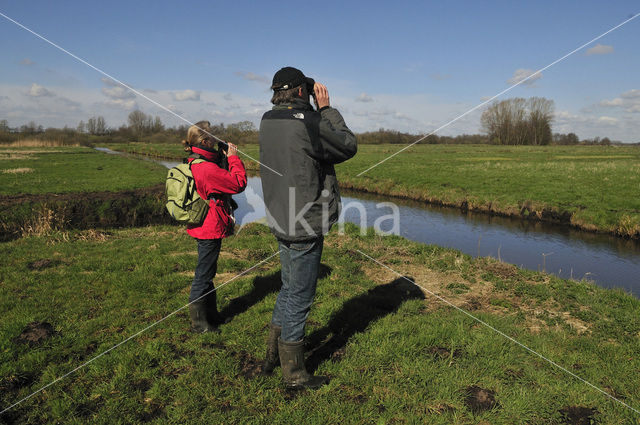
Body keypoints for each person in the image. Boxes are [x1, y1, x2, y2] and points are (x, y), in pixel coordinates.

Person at [259, 67, 357, 389]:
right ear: (302, 92)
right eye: (309, 91)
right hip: (304, 221)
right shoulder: (310, 122)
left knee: (288, 287)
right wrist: (326, 109)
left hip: (279, 217)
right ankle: (296, 376)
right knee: (300, 295)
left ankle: (271, 357)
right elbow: (346, 145)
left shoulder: (268, 120)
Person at [182, 121, 247, 333]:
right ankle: (199, 324)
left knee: (208, 270)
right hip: (209, 226)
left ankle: (211, 315)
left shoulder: (196, 161)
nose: (217, 139)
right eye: (213, 137)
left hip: (202, 224)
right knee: (204, 273)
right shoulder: (206, 169)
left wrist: (221, 154)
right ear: (205, 141)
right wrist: (234, 157)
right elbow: (238, 183)